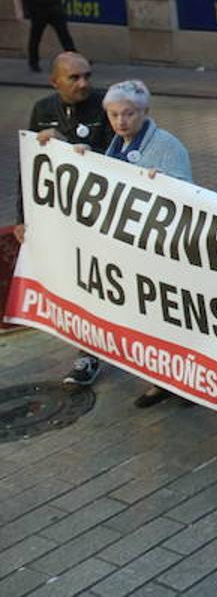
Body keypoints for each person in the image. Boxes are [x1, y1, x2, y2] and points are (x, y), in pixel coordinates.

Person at [15, 51, 112, 388]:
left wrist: (68, 146)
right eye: (74, 78)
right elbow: (30, 167)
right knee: (78, 285)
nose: (84, 83)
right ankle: (88, 354)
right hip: (63, 220)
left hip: (102, 220)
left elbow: (114, 164)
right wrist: (23, 216)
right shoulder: (43, 110)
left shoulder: (105, 105)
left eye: (87, 75)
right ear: (54, 82)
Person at [96, 79, 194, 407]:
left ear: (145, 112)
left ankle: (184, 382)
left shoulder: (167, 145)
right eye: (114, 115)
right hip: (131, 246)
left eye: (129, 114)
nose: (121, 121)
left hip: (161, 249)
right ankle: (159, 379)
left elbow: (185, 194)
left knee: (168, 319)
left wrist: (162, 185)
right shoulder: (116, 143)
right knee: (145, 318)